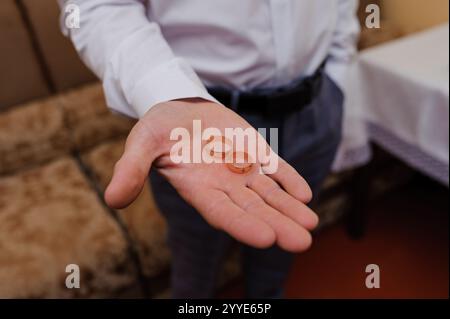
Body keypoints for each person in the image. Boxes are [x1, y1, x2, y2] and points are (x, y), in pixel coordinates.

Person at [59, 0, 359, 298]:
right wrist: (167, 94)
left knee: (278, 256)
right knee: (194, 270)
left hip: (316, 108)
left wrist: (338, 73)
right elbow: (96, 5)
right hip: (197, 123)